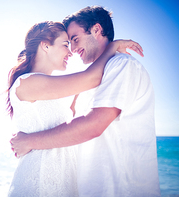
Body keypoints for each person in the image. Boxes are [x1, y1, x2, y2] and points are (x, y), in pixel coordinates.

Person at [10, 6, 161, 197]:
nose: (72, 50)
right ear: (45, 46)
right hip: (48, 181)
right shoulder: (40, 83)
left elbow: (92, 125)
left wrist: (29, 140)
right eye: (67, 43)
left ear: (97, 30)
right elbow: (88, 82)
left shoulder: (121, 65)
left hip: (119, 189)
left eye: (74, 40)